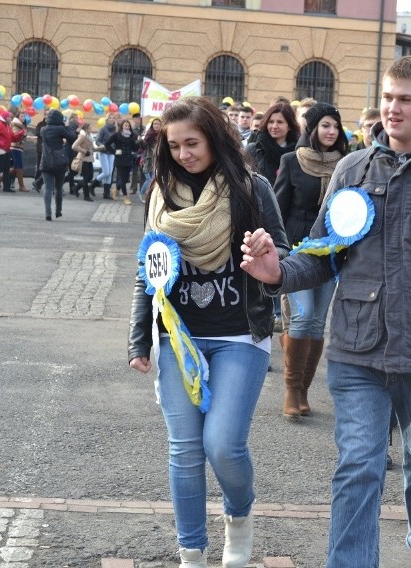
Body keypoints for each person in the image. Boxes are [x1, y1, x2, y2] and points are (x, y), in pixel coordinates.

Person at [240, 54, 411, 568]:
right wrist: (278, 272)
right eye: (387, 98)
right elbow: (320, 254)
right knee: (359, 465)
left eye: (405, 99)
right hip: (356, 349)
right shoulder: (351, 170)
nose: (393, 108)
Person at [128, 97, 289, 568]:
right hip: (179, 337)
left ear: (215, 139)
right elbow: (148, 268)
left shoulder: (252, 189)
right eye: (174, 145)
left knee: (222, 443)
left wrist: (267, 249)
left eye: (192, 143)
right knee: (185, 448)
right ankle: (191, 553)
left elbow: (283, 249)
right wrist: (139, 337)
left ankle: (239, 515)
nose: (183, 154)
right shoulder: (159, 193)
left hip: (241, 334)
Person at [273, 102, 349, 420]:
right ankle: (290, 391)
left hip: (331, 254)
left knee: (318, 322)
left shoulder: (348, 165)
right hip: (297, 251)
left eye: (335, 126)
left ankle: (303, 390)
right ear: (313, 129)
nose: (331, 131)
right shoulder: (291, 161)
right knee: (302, 318)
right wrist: (278, 250)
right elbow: (277, 208)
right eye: (325, 125)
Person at [245, 102, 299, 185]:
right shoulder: (253, 149)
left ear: (289, 126)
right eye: (271, 122)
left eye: (280, 122)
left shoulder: (298, 153)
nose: (274, 126)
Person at [39, 109, 77, 221]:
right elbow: (72, 137)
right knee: (58, 188)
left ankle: (47, 213)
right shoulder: (60, 129)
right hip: (59, 162)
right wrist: (65, 126)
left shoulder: (43, 129)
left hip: (45, 162)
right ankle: (58, 211)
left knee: (48, 188)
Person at [105, 119, 138, 204]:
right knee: (123, 179)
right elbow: (107, 144)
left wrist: (139, 142)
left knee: (125, 179)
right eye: (125, 125)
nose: (127, 127)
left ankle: (115, 189)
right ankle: (125, 197)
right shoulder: (117, 135)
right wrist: (114, 152)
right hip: (120, 159)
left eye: (128, 126)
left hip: (128, 159)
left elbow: (134, 148)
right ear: (122, 126)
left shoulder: (132, 135)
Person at [91, 113, 117, 198]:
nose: (112, 119)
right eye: (110, 118)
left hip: (112, 153)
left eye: (113, 118)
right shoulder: (103, 129)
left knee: (109, 174)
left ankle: (106, 194)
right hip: (103, 152)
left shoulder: (115, 130)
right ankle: (92, 185)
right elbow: (97, 141)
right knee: (106, 172)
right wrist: (102, 145)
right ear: (107, 120)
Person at [138, 117, 161, 203]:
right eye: (154, 124)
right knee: (149, 179)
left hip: (158, 160)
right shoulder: (149, 135)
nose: (156, 125)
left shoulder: (163, 136)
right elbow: (143, 147)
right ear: (152, 125)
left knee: (155, 179)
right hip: (148, 160)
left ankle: (151, 196)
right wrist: (140, 141)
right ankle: (142, 193)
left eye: (158, 124)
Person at [71, 123, 95, 202]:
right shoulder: (83, 136)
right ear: (86, 129)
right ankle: (86, 196)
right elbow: (74, 146)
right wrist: (83, 151)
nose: (91, 130)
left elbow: (92, 147)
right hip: (83, 158)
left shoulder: (89, 137)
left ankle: (76, 188)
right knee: (86, 177)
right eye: (90, 128)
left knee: (90, 177)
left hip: (89, 159)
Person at [9, 116, 28, 192]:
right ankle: (21, 186)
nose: (23, 117)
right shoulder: (16, 124)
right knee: (19, 167)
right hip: (15, 147)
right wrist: (22, 134)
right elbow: (14, 136)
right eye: (22, 116)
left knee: (16, 168)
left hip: (18, 147)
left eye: (24, 116)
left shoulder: (21, 125)